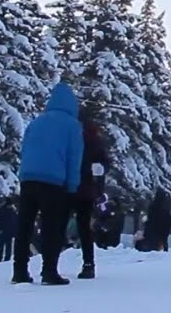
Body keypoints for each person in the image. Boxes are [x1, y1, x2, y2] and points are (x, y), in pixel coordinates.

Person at [13, 82, 83, 285]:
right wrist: (72, 187)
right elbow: (73, 158)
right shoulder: (72, 125)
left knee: (24, 225)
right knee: (52, 227)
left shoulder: (37, 122)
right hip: (53, 182)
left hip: (28, 178)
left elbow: (24, 149)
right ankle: (49, 271)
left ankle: (19, 271)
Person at [71, 114, 110, 279]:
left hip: (68, 186)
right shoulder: (94, 140)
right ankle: (88, 264)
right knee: (84, 227)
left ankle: (51, 264)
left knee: (59, 225)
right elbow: (104, 163)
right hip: (87, 189)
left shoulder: (71, 135)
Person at [0, 197, 18, 263]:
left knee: (8, 245)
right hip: (3, 231)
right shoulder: (1, 211)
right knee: (1, 245)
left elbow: (15, 221)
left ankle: (7, 258)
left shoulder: (12, 211)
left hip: (10, 231)